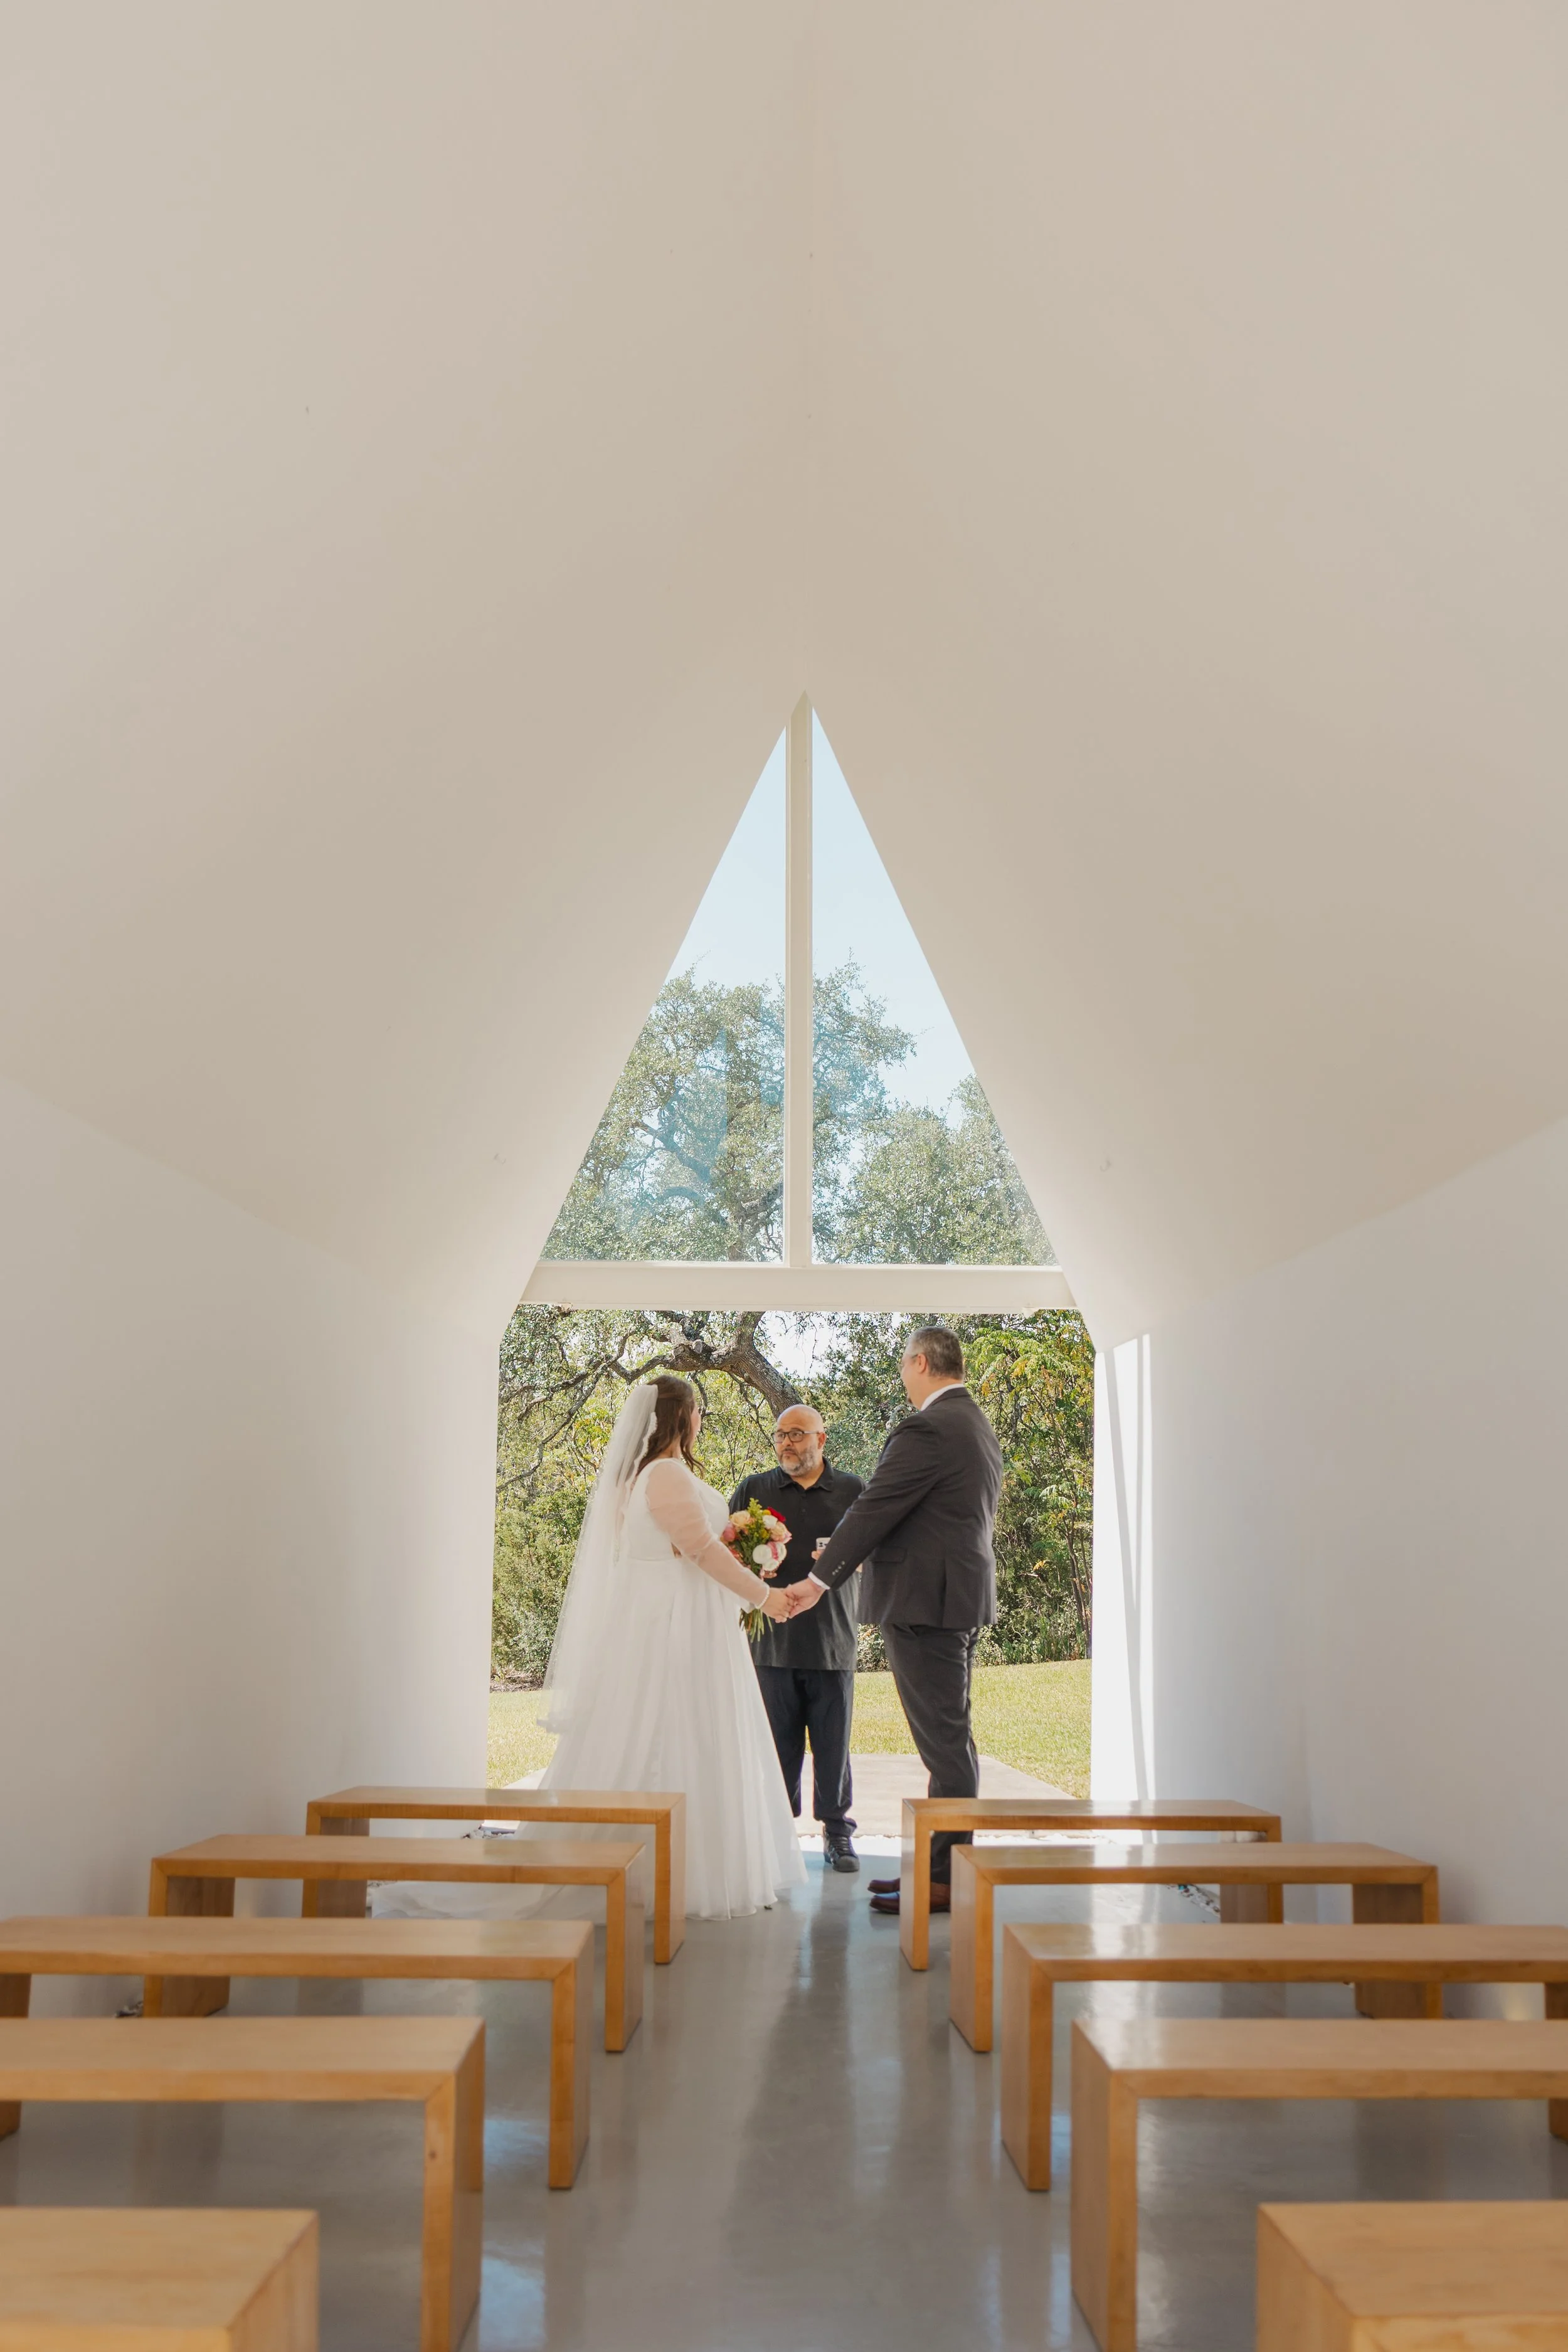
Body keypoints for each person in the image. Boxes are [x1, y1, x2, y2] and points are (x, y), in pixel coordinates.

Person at [378, 1375, 805, 1922]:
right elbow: (696, 1548)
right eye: (697, 1412)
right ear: (680, 1417)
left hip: (677, 1616)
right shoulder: (667, 1473)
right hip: (672, 1624)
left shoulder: (647, 1475)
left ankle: (679, 1865)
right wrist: (764, 1594)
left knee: (677, 1729)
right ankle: (670, 1873)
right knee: (671, 1728)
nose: (700, 1421)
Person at [787, 1326, 1002, 1916]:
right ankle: (944, 1872)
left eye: (905, 1364)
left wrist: (817, 1580)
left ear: (920, 1361)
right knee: (952, 1740)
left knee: (946, 1746)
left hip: (925, 1606)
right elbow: (932, 1518)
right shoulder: (974, 1424)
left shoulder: (927, 1427)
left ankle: (946, 1881)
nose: (903, 1375)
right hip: (953, 1598)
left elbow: (876, 1507)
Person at [731, 1405, 865, 1875]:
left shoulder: (853, 1491)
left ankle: (837, 1833)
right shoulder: (755, 1490)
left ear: (821, 1440)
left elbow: (877, 1552)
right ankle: (774, 1834)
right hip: (771, 1641)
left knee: (833, 1743)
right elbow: (727, 1552)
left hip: (833, 1637)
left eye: (797, 1434)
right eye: (780, 1435)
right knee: (776, 1745)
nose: (787, 1443)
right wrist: (755, 1568)